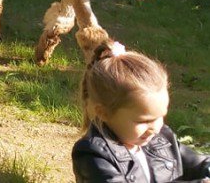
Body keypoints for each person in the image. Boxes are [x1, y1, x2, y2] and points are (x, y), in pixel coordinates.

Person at [73, 40, 210, 182]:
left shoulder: (162, 139)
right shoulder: (92, 153)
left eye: (160, 117)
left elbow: (199, 163)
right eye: (144, 121)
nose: (155, 128)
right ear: (104, 113)